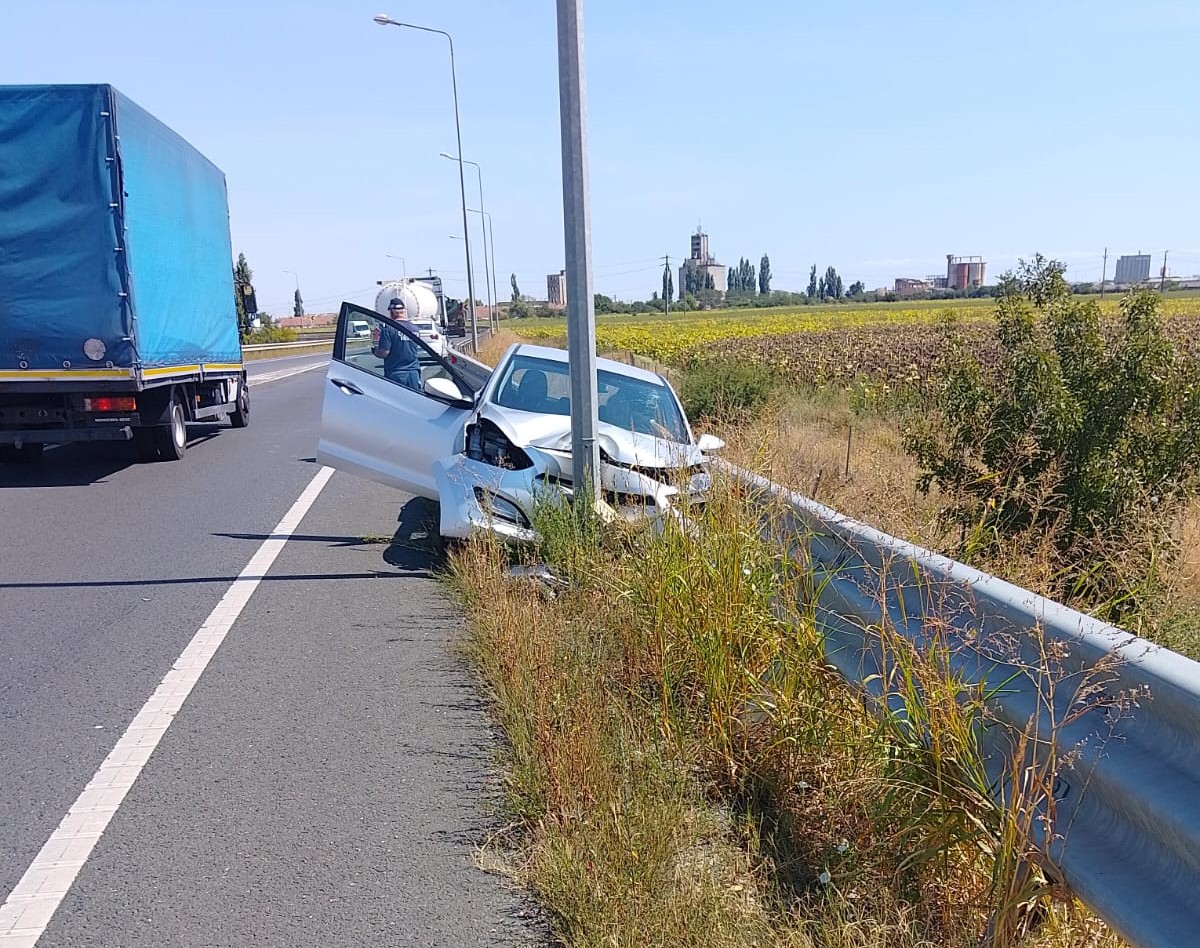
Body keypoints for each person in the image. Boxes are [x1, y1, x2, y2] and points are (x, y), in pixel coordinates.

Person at [372, 297, 421, 390]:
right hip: (414, 373)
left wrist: (375, 350)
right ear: (404, 311)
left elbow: (384, 352)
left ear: (391, 312)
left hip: (395, 373)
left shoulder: (388, 328)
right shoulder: (415, 328)